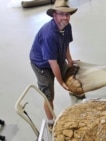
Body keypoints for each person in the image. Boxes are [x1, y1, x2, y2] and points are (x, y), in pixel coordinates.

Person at [29, 0, 77, 131]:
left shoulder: (67, 26)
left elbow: (66, 44)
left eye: (67, 14)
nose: (65, 18)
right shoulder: (49, 35)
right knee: (49, 95)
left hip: (57, 56)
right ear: (54, 15)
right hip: (42, 65)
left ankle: (75, 92)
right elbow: (52, 63)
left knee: (71, 74)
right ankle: (50, 122)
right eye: (61, 14)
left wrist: (69, 60)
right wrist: (61, 82)